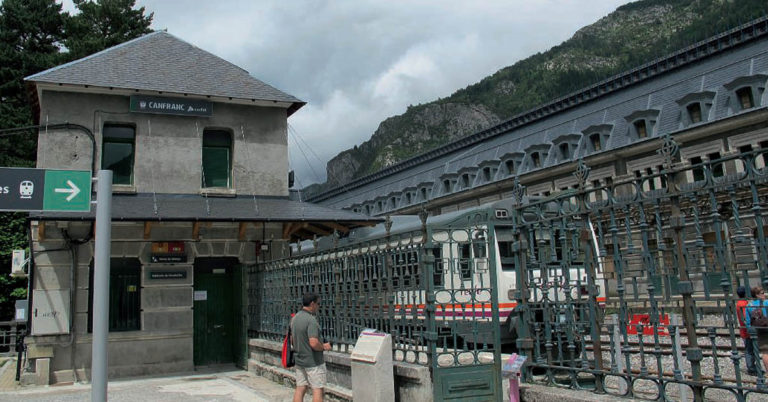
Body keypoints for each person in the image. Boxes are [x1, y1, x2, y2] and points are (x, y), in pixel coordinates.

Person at [292, 292, 331, 402]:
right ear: (312, 304)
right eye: (318, 304)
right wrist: (324, 346)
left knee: (300, 388)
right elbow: (313, 342)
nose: (319, 307)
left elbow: (292, 339)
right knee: (317, 390)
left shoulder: (295, 318)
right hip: (314, 362)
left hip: (300, 360)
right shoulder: (311, 320)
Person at [745, 286, 768, 372]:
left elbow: (748, 322)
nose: (764, 294)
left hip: (759, 331)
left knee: (765, 353)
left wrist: (751, 332)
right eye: (762, 293)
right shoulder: (766, 303)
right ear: (757, 295)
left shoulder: (749, 305)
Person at [736, 286, 758, 375]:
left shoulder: (739, 303)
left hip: (745, 331)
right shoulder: (743, 304)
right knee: (750, 350)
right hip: (747, 331)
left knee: (750, 350)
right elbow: (746, 318)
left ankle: (752, 367)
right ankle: (751, 368)